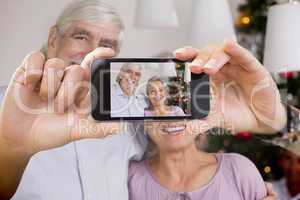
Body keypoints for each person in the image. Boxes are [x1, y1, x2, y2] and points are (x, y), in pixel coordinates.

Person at [0, 0, 286, 199]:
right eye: (81, 36)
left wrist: (273, 118)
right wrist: (10, 150)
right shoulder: (9, 109)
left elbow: (173, 128)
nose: (91, 52)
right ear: (53, 38)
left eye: (107, 45)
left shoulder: (130, 113)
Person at [128, 120, 267, 200]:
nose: (171, 118)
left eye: (181, 106)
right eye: (155, 107)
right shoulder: (130, 178)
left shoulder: (238, 169)